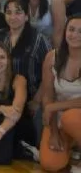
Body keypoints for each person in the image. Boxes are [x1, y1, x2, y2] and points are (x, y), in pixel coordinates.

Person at [0, 0, 52, 143]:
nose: (13, 17)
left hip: (33, 98)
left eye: (18, 13)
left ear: (26, 16)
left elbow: (50, 73)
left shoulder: (39, 39)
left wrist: (37, 100)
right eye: (9, 12)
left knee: (37, 141)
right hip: (6, 95)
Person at [39, 15, 81, 172]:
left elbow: (52, 105)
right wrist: (54, 133)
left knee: (70, 118)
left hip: (73, 116)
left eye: (80, 31)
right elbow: (48, 96)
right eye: (71, 29)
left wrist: (54, 107)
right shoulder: (52, 57)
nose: (75, 35)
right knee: (50, 164)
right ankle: (73, 149)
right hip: (59, 117)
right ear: (65, 32)